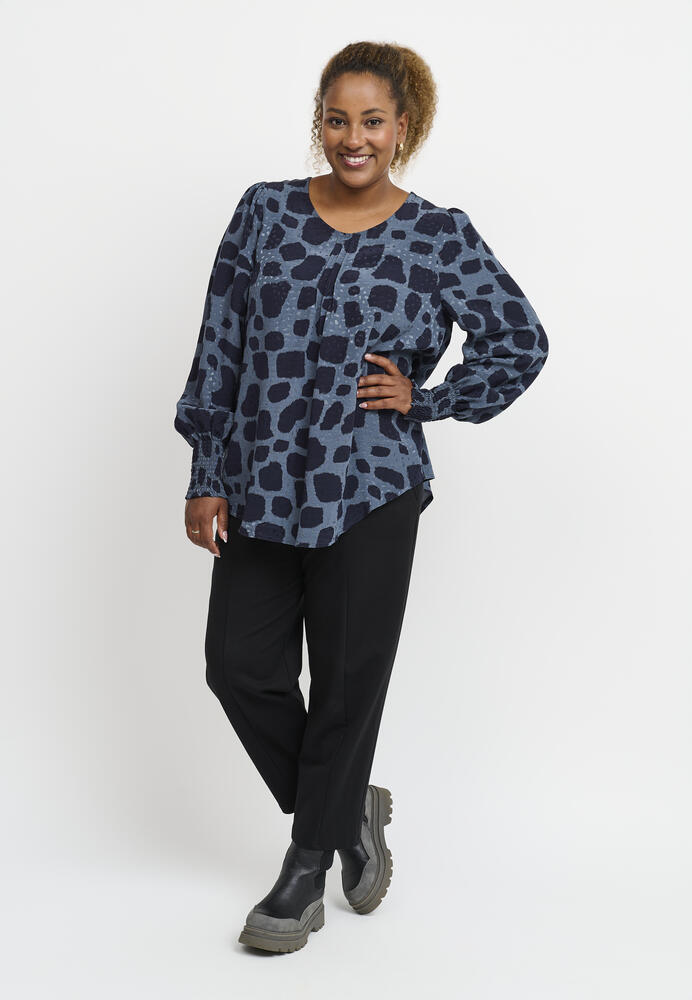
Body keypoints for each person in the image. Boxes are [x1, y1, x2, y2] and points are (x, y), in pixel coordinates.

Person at [174, 40, 549, 954]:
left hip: (371, 488)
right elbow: (221, 343)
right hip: (261, 483)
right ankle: (349, 814)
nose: (353, 138)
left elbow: (520, 340)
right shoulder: (264, 212)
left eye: (372, 121)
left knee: (347, 685)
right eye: (338, 119)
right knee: (238, 666)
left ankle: (305, 871)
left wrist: (430, 399)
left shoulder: (438, 234)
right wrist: (206, 472)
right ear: (321, 122)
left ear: (402, 128)